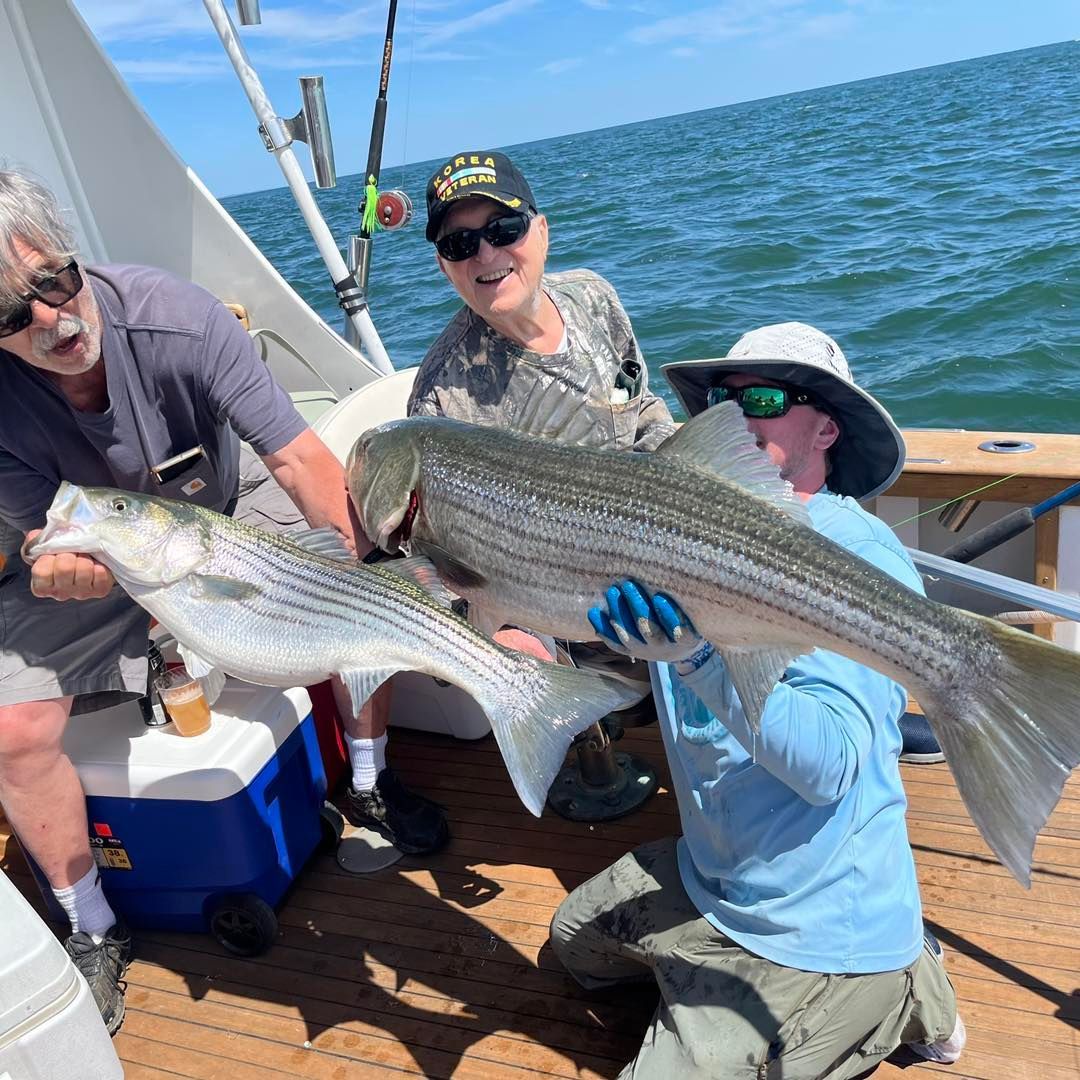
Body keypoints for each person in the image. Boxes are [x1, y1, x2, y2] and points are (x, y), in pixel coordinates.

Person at [0, 168, 441, 1035]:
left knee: (364, 588)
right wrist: (57, 566)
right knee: (11, 729)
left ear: (73, 257)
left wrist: (366, 582)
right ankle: (90, 922)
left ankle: (372, 780)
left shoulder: (178, 317)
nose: (51, 320)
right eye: (13, 314)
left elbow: (299, 461)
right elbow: (37, 537)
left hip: (222, 519)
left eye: (53, 280)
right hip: (97, 552)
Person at [550, 322, 966, 1078]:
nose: (737, 416)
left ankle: (898, 986)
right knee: (571, 944)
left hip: (820, 924)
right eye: (721, 401)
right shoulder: (685, 534)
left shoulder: (851, 551)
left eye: (767, 398)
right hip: (720, 877)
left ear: (826, 427)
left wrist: (701, 656)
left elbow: (830, 766)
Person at [408, 148, 675, 673]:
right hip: (569, 621)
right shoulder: (439, 403)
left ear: (542, 231)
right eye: (459, 244)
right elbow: (444, 571)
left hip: (672, 558)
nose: (485, 254)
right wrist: (513, 642)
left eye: (504, 228)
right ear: (444, 266)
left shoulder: (594, 298)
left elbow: (643, 409)